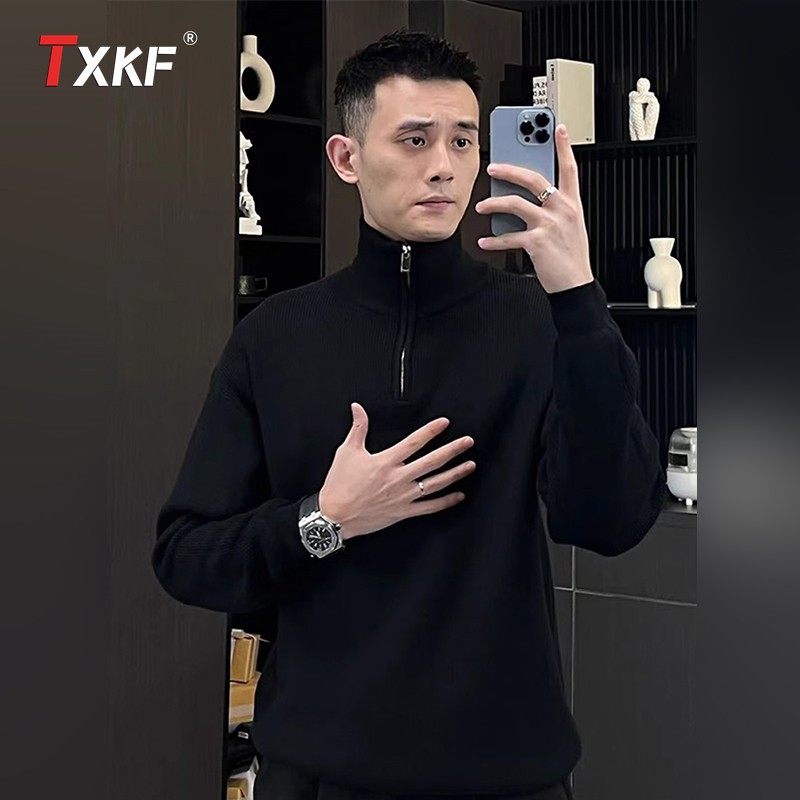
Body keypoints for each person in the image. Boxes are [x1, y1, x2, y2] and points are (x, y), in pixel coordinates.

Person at [152, 28, 666, 800]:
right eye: (415, 139)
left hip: (508, 777)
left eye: (463, 140)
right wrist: (324, 520)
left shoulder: (540, 322)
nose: (445, 166)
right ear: (346, 158)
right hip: (321, 775)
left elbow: (611, 519)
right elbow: (186, 556)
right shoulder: (275, 337)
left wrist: (579, 297)